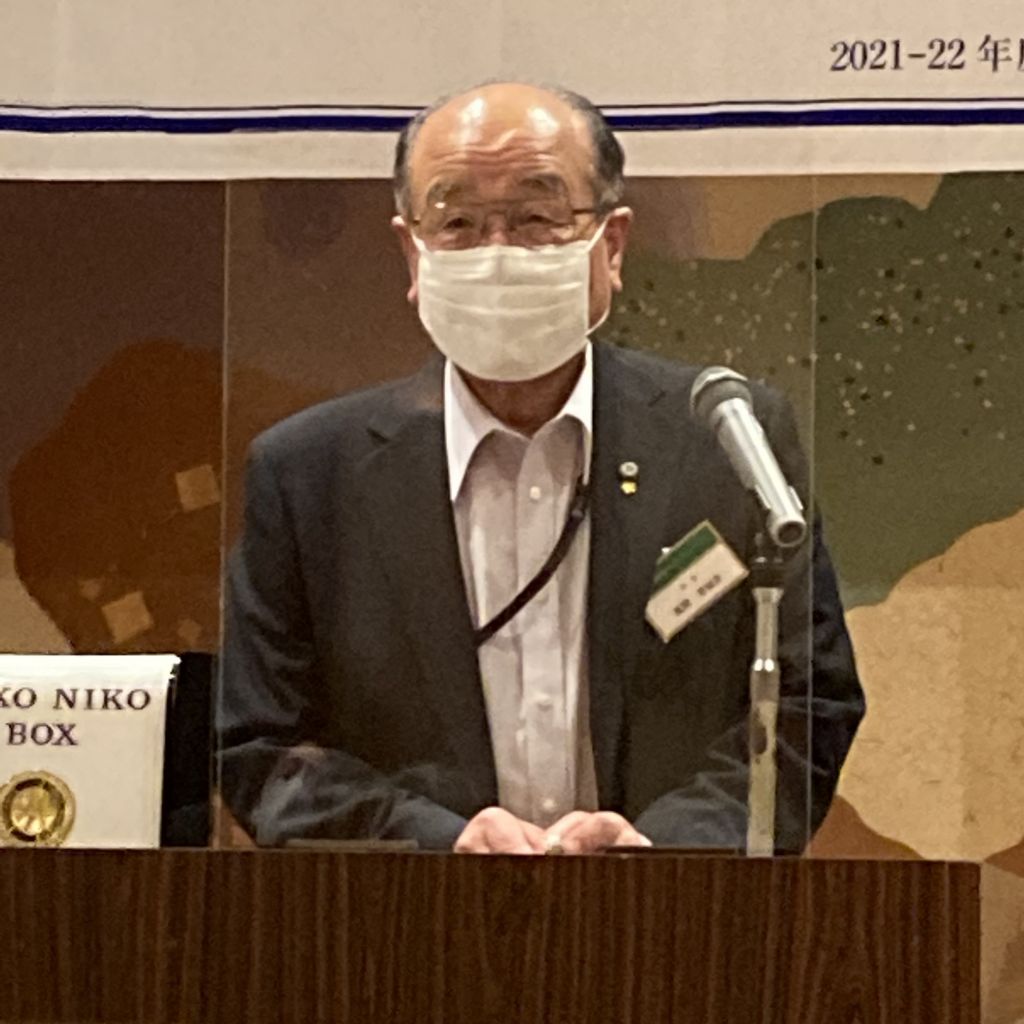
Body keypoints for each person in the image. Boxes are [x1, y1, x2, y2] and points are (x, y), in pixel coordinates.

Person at [218, 82, 864, 855]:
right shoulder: (309, 475)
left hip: (676, 911)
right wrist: (439, 842)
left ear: (612, 245)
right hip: (405, 916)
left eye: (536, 217)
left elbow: (807, 704)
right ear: (412, 252)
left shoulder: (725, 442)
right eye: (457, 222)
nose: (497, 253)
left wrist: (662, 846)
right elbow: (262, 749)